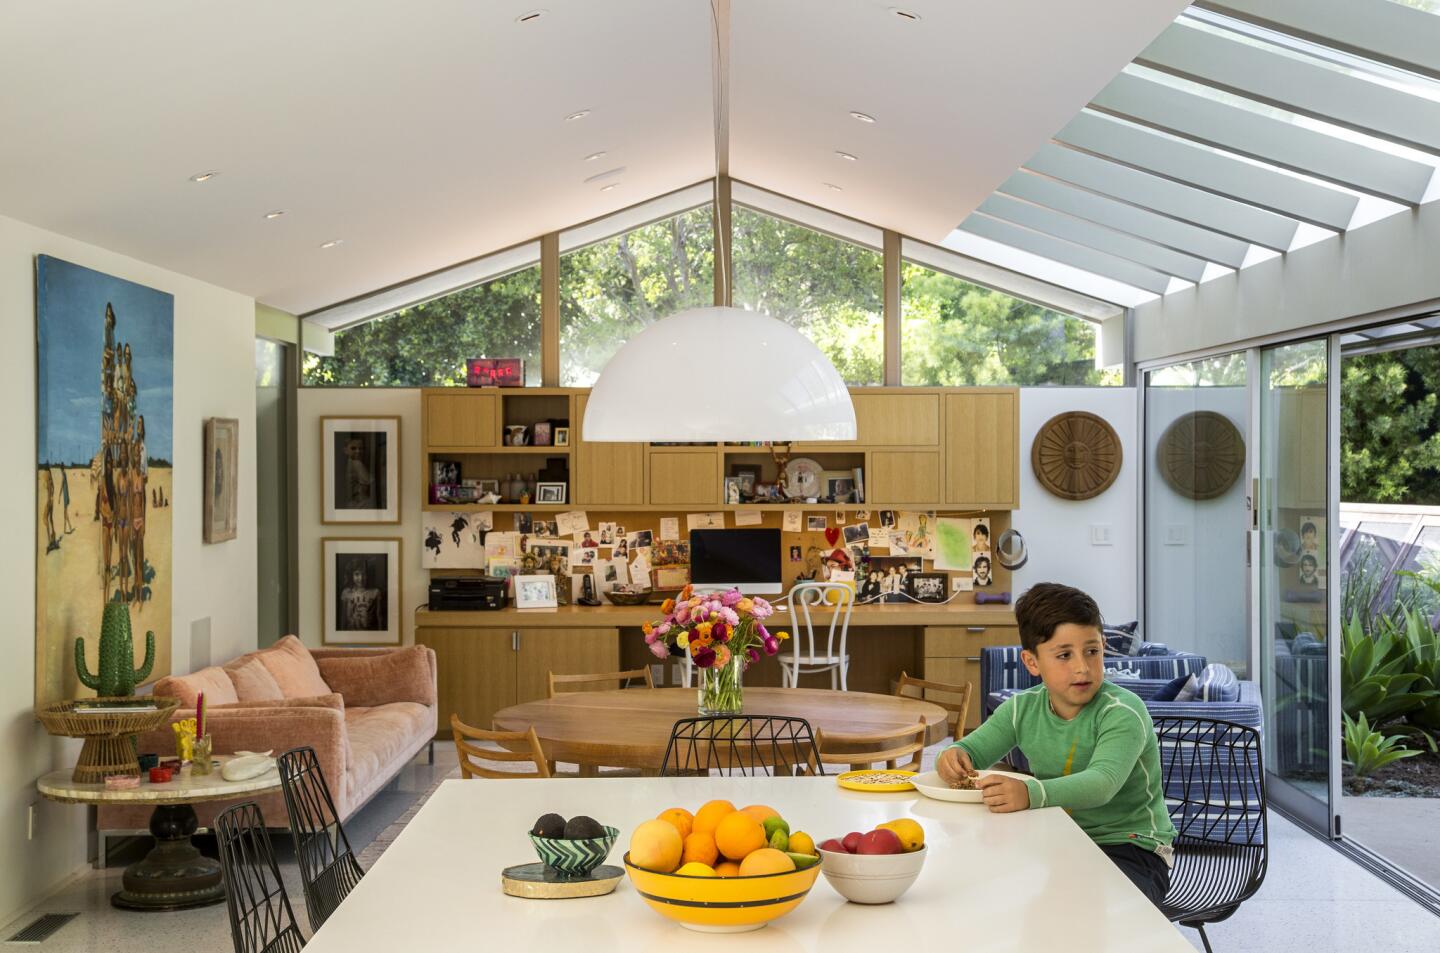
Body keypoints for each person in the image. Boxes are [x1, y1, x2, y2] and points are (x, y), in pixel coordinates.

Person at [937, 583, 1176, 907]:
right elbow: (971, 750)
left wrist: (1030, 793)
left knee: (1079, 914)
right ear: (1032, 662)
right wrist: (950, 757)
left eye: (1092, 651)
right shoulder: (1022, 709)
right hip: (1055, 837)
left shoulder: (1123, 711)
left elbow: (1102, 783)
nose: (1082, 666)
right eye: (1064, 655)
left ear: (1103, 647)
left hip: (1133, 850)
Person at [339, 562, 383, 630]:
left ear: (369, 575)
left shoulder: (375, 592)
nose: (361, 578)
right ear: (351, 575)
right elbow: (343, 617)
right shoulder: (346, 592)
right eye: (357, 574)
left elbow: (379, 616)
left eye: (364, 574)